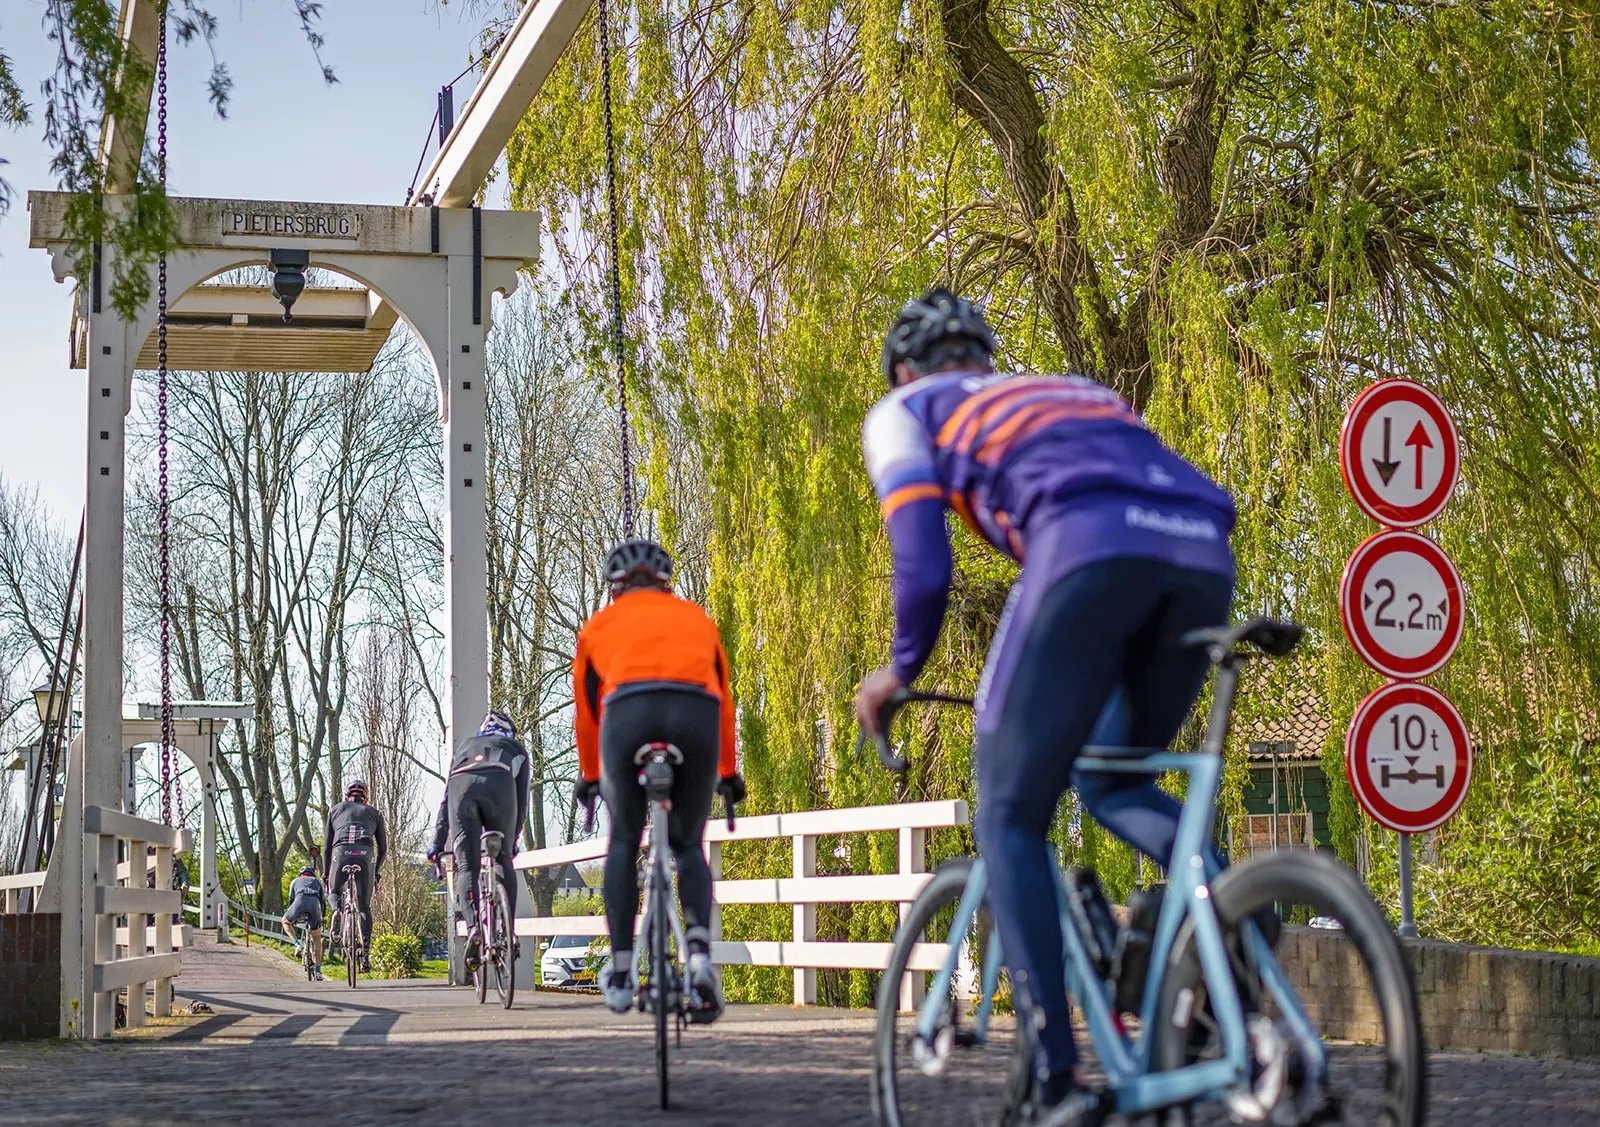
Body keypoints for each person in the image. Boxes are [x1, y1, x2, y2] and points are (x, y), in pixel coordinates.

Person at [853, 288, 1237, 1125]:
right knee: (1113, 778)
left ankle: (1057, 1078)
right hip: (1204, 547)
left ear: (905, 368)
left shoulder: (903, 409)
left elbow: (923, 562)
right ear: (987, 359)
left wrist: (897, 670)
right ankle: (1234, 933)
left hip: (1085, 547)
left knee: (1009, 814)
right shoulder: (1075, 389)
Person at [572, 539, 746, 1020]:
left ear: (616, 586)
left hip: (627, 714)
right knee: (689, 844)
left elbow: (587, 713)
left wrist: (591, 776)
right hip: (696, 714)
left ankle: (624, 971)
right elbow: (725, 700)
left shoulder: (597, 627)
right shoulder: (698, 619)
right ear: (666, 583)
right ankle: (698, 955)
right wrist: (727, 772)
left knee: (625, 840)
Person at [427, 708, 531, 970]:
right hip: (499, 787)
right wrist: (513, 840)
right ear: (508, 731)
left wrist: (438, 844)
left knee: (466, 867)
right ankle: (508, 931)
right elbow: (521, 801)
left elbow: (444, 803)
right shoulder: (515, 748)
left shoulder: (463, 747)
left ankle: (474, 927)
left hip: (462, 789)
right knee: (503, 858)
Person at [322, 779, 387, 974]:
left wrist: (326, 874)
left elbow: (326, 847)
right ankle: (365, 954)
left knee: (333, 891)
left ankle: (336, 912)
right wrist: (375, 873)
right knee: (364, 905)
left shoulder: (335, 810)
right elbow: (383, 849)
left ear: (346, 796)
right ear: (365, 798)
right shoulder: (375, 813)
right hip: (365, 854)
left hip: (340, 852)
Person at [283, 864, 327, 980]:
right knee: (317, 938)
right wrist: (322, 917)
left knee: (285, 922)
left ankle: (297, 945)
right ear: (313, 874)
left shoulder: (295, 881)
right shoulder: (317, 882)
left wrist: (293, 918)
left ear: (301, 874)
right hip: (314, 905)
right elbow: (322, 902)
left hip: (299, 902)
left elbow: (291, 901)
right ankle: (318, 971)